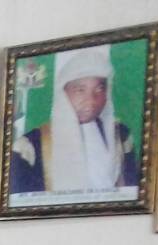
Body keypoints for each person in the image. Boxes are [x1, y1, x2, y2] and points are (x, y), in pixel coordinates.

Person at [11, 47, 138, 194]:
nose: (91, 100)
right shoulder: (29, 147)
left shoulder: (122, 136)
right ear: (63, 94)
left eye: (99, 89)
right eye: (80, 90)